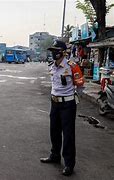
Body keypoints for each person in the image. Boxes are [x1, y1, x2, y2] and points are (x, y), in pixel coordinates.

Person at [40, 40, 84, 176]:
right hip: (55, 103)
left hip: (67, 105)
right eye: (52, 51)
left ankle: (69, 164)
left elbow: (80, 86)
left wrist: (72, 98)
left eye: (56, 50)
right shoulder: (51, 66)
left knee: (68, 135)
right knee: (54, 130)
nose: (53, 53)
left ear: (63, 52)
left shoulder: (72, 66)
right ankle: (55, 155)